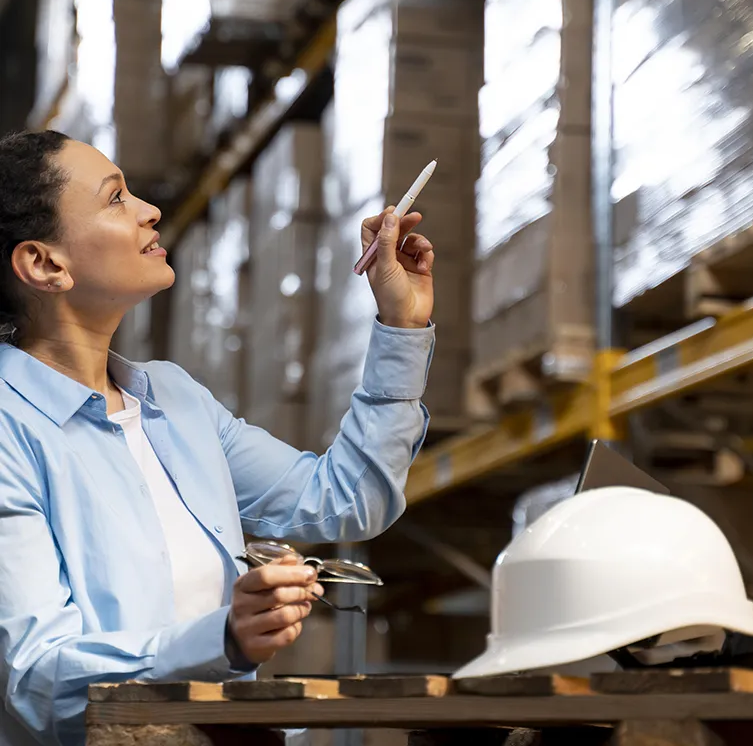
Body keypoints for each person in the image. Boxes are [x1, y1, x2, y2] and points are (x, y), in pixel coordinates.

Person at [0, 130, 436, 746]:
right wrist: (225, 638)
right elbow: (41, 679)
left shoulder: (174, 403)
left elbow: (346, 498)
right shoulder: (9, 431)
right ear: (45, 264)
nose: (149, 209)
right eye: (115, 198)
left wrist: (401, 324)